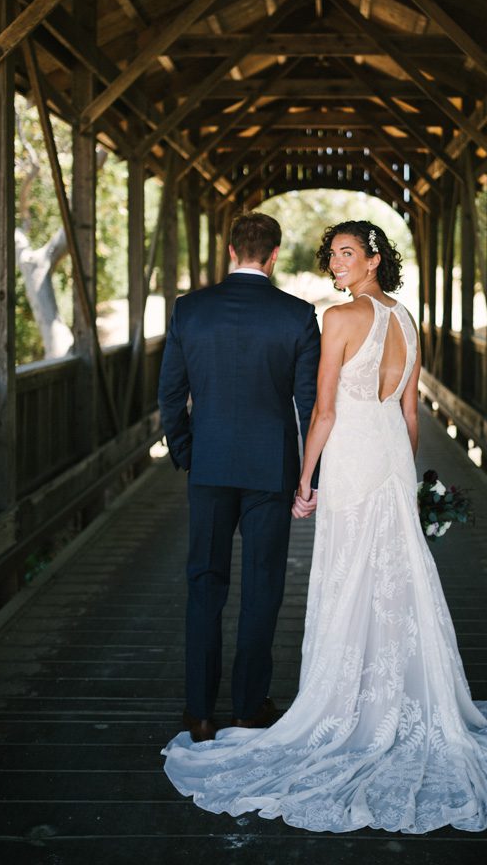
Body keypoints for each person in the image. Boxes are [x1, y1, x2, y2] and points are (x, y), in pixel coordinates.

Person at [162, 219, 487, 834]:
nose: (334, 263)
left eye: (343, 254)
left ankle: (225, 712)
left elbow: (314, 407)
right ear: (275, 255)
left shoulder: (283, 315)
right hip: (383, 458)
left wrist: (291, 473)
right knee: (373, 579)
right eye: (330, 254)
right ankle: (266, 706)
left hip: (302, 461)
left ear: (373, 259)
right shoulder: (395, 321)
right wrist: (395, 476)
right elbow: (405, 414)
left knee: (283, 579)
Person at [158, 212, 320, 744]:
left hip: (209, 466)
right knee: (263, 587)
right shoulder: (297, 316)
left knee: (204, 585)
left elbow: (170, 396)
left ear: (231, 251)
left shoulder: (190, 310)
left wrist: (188, 452)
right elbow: (309, 405)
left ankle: (200, 712)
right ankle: (249, 709)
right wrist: (308, 477)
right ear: (273, 255)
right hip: (270, 470)